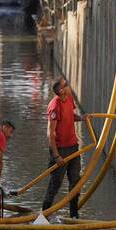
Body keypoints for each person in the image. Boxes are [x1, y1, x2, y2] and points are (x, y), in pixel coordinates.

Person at [42, 77, 89, 219]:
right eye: (66, 85)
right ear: (60, 90)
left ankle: (74, 215)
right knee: (55, 184)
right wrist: (56, 156)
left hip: (73, 146)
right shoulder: (54, 106)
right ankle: (44, 215)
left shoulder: (69, 98)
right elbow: (50, 133)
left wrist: (81, 118)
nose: (69, 86)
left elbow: (70, 115)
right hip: (60, 149)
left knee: (75, 182)